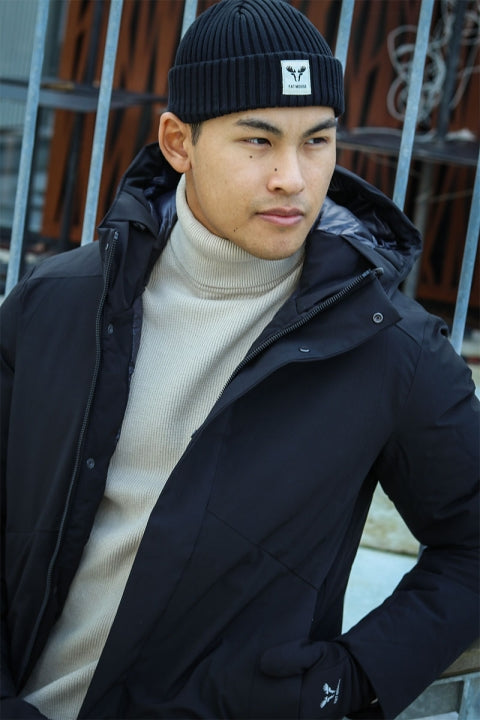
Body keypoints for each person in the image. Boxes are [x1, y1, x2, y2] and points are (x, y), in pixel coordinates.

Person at [1, 0, 478, 718]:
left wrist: (343, 684)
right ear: (179, 142)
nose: (292, 177)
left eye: (317, 141)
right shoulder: (57, 304)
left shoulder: (389, 347)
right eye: (258, 140)